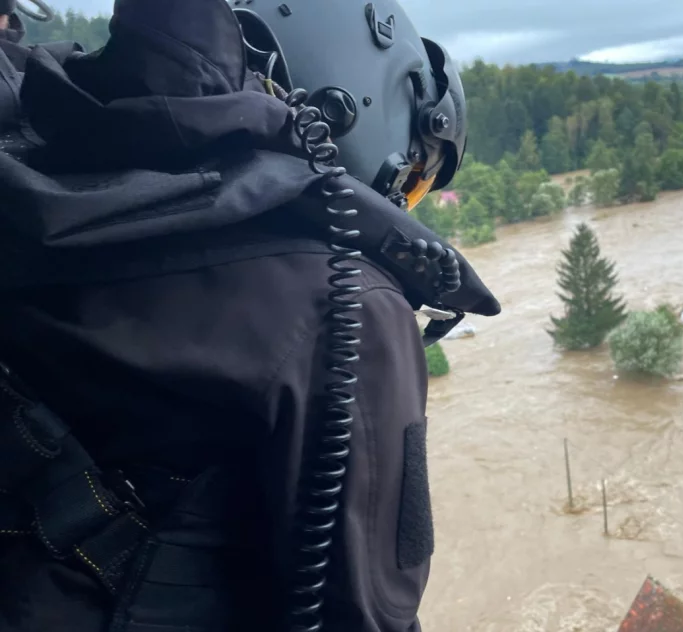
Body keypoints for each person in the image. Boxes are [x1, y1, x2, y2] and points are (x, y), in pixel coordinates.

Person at [0, 1, 499, 632]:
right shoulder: (345, 305)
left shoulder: (36, 181)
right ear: (348, 108)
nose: (404, 199)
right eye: (416, 180)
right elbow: (374, 611)